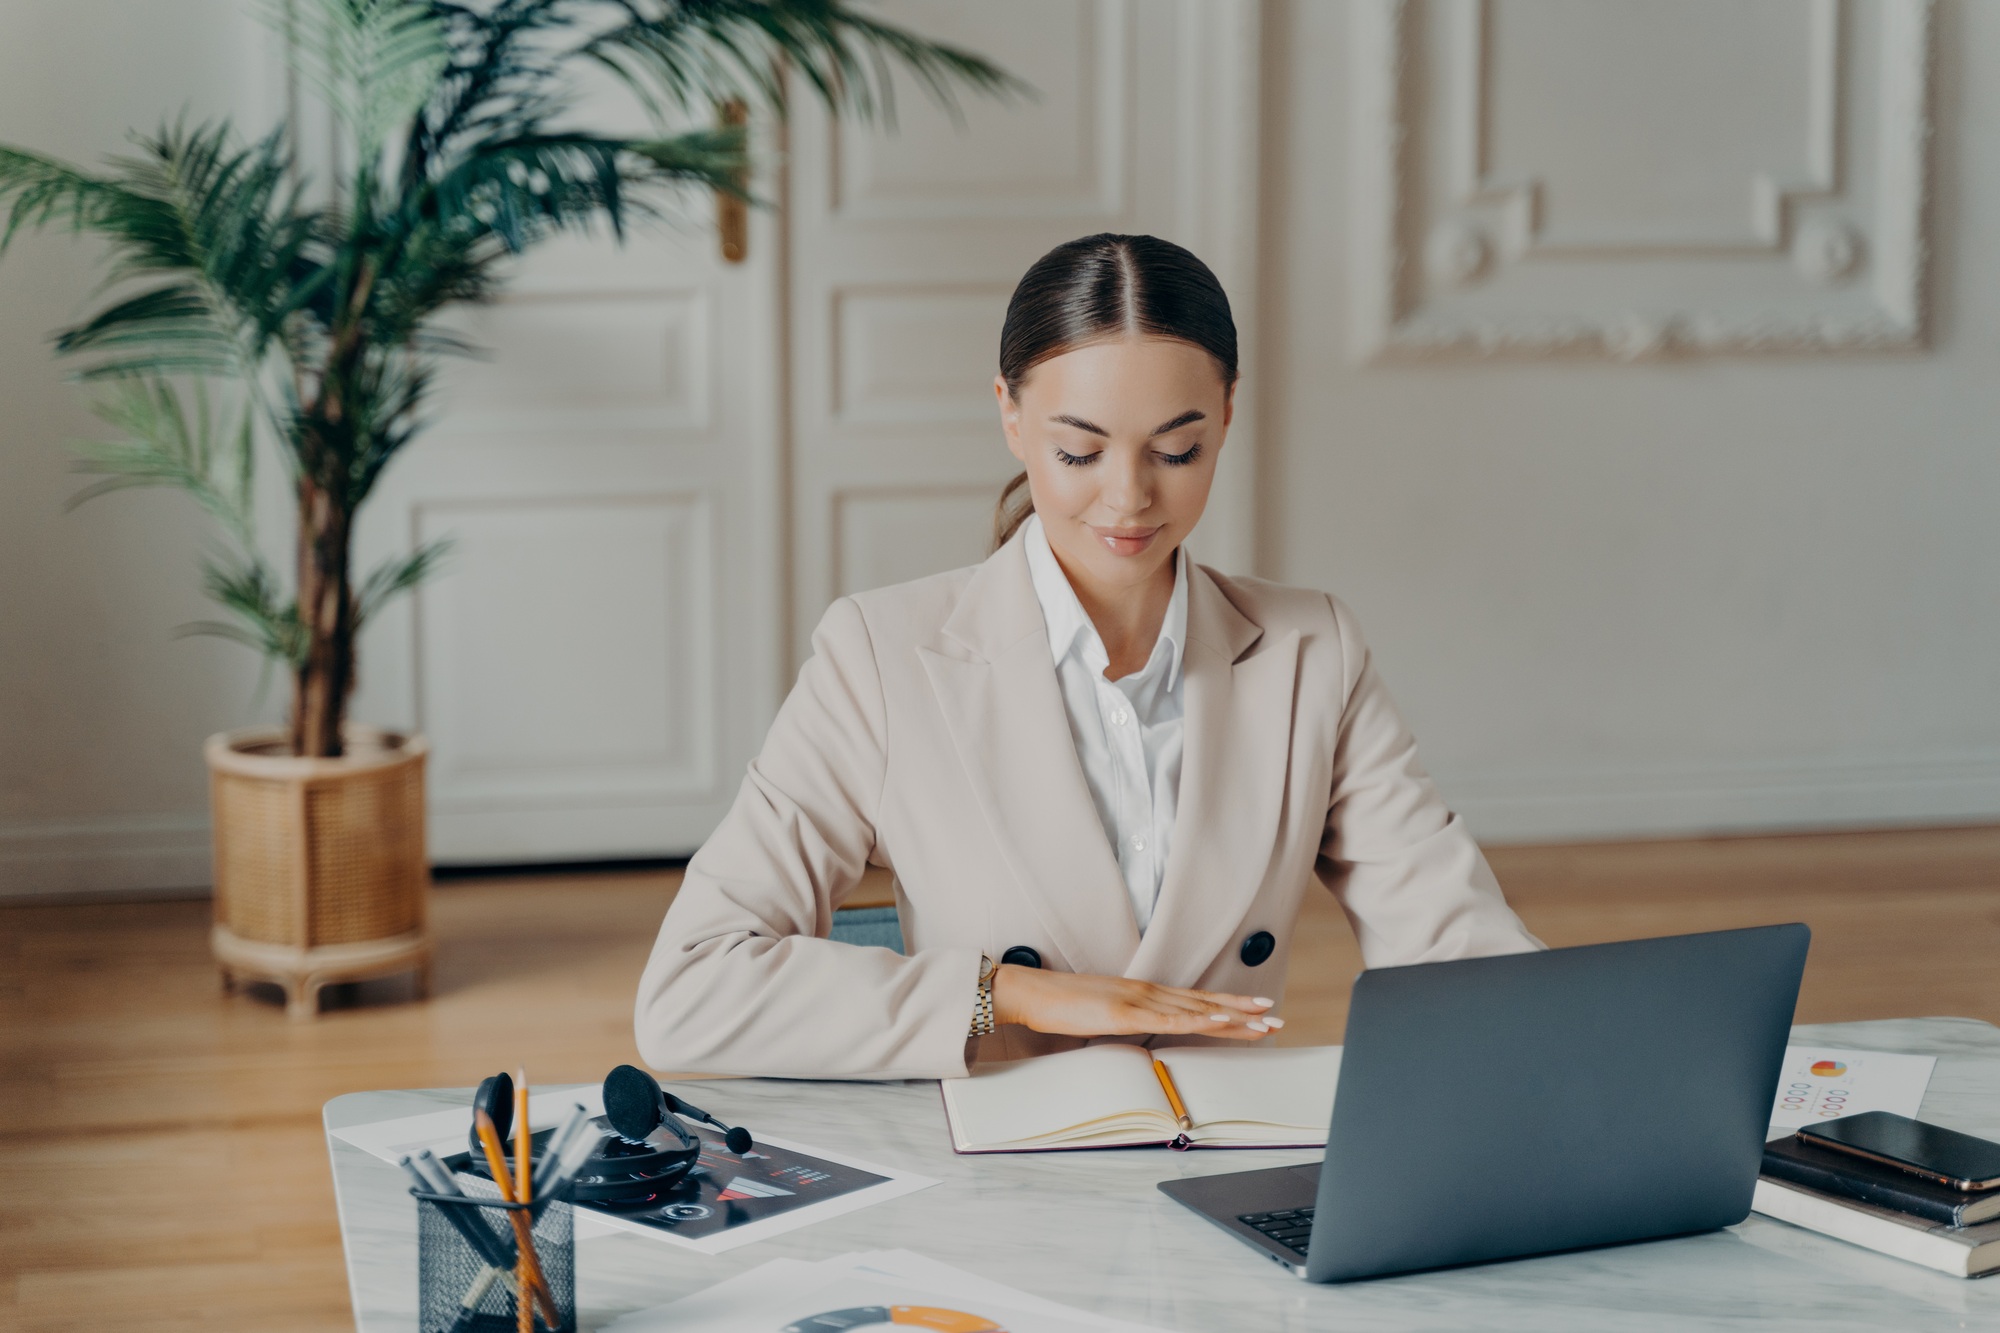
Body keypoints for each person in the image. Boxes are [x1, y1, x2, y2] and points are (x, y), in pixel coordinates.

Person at [635, 234, 1539, 1079]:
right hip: (998, 1179)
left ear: (1227, 417)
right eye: (1080, 450)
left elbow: (1456, 948)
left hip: (1224, 1157)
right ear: (1011, 417)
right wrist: (1005, 992)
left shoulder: (1313, 651)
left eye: (1177, 450)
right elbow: (691, 988)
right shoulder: (881, 656)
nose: (1129, 497)